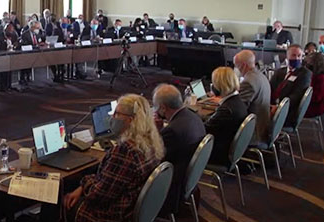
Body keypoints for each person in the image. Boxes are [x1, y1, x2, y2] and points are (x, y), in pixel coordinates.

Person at [64, 94, 164, 222]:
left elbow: (99, 194)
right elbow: (108, 181)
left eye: (117, 114)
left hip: (111, 214)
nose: (112, 117)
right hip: (130, 208)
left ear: (131, 120)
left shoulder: (125, 151)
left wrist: (83, 184)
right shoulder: (151, 142)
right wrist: (82, 187)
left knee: (60, 199)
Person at [152, 84, 206, 216]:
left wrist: (154, 132)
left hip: (172, 186)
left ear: (163, 108)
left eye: (156, 107)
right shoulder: (193, 117)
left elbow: (154, 158)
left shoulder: (172, 130)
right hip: (188, 178)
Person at [205, 67, 248, 166]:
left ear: (219, 85)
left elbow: (204, 130)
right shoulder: (237, 101)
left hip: (218, 154)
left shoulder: (226, 110)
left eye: (214, 83)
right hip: (230, 148)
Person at [270, 45, 312, 127]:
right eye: (293, 55)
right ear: (287, 56)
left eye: (299, 56)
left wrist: (279, 107)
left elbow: (296, 96)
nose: (296, 58)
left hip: (287, 111)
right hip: (272, 106)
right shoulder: (279, 72)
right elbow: (270, 88)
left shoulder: (305, 74)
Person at [235, 50, 271, 145]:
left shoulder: (248, 82)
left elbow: (238, 110)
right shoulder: (261, 76)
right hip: (263, 126)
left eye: (236, 65)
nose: (236, 69)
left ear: (243, 65)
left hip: (254, 132)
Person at [304, 52, 324, 118]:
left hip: (315, 107)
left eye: (308, 63)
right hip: (314, 104)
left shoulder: (322, 78)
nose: (306, 65)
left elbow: (316, 97)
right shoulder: (320, 75)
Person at [19, 20, 46, 86]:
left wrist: (41, 43)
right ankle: (23, 78)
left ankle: (28, 76)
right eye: (37, 28)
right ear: (32, 27)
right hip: (26, 54)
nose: (38, 30)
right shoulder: (25, 34)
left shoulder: (37, 34)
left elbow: (39, 41)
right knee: (26, 62)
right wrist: (36, 45)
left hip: (35, 53)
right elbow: (25, 45)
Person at [0, 22, 20, 91]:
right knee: (3, 72)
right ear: (5, 30)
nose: (11, 32)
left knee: (9, 70)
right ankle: (2, 87)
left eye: (12, 31)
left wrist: (15, 45)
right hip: (1, 57)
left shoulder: (14, 35)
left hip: (11, 56)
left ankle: (9, 86)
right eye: (9, 31)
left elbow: (17, 43)